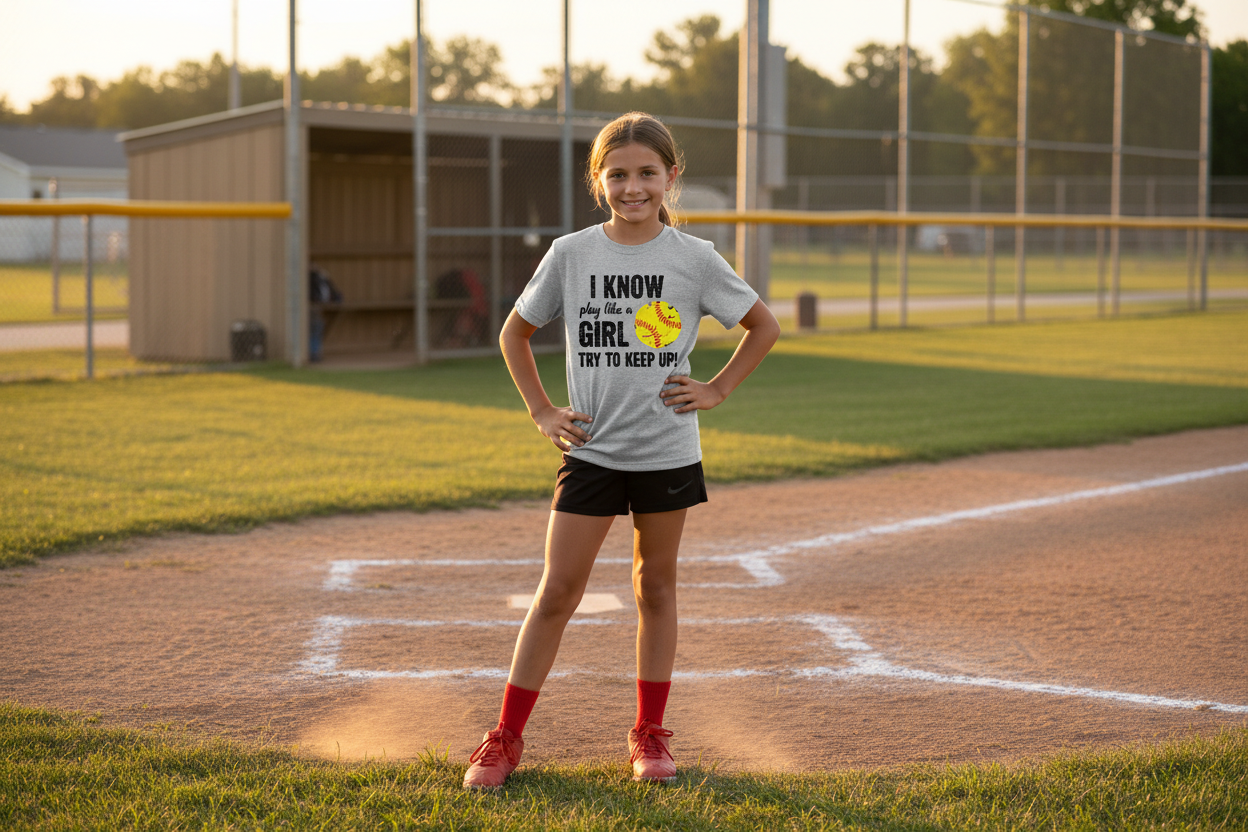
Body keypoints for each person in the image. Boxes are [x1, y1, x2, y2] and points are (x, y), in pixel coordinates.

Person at [464, 112, 779, 790]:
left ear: (670, 177)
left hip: (666, 450)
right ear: (598, 181)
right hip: (592, 451)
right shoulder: (571, 253)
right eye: (618, 175)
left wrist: (718, 389)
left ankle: (649, 734)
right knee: (557, 591)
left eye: (646, 173)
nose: (632, 187)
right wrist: (541, 409)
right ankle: (505, 737)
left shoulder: (695, 258)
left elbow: (763, 325)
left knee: (655, 586)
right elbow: (514, 334)